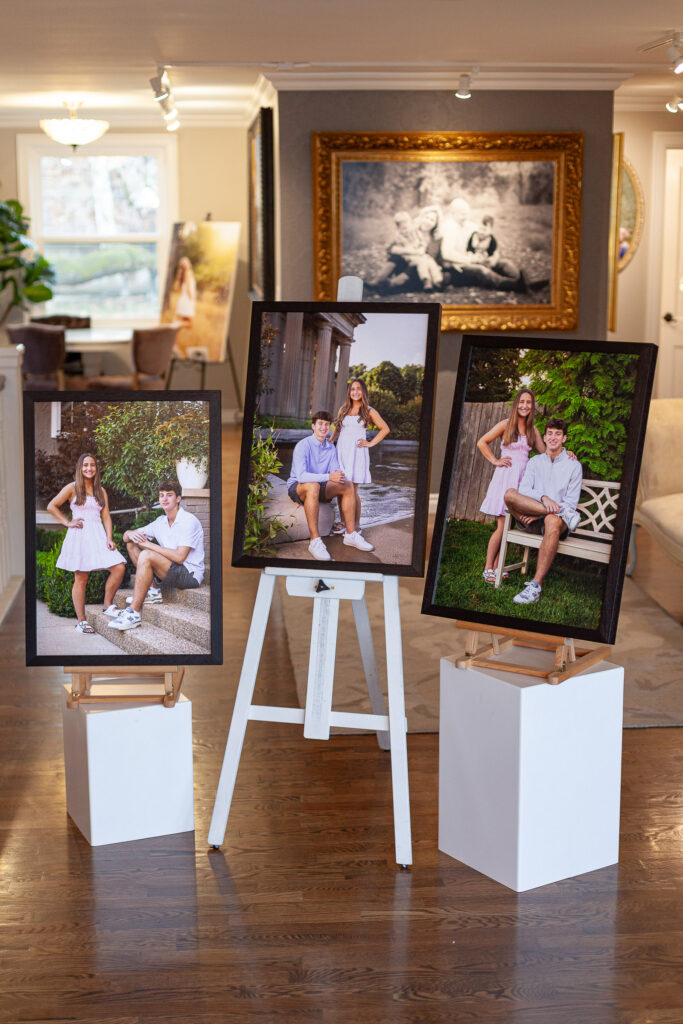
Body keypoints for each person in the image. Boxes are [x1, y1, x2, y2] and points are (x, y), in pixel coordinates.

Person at [503, 417, 583, 605]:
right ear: (545, 437)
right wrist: (544, 499)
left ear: (564, 438)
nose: (553, 437)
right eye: (550, 433)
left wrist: (552, 511)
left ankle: (535, 586)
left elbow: (571, 501)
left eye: (558, 434)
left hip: (555, 525)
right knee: (509, 494)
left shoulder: (574, 466)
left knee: (553, 520)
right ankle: (559, 512)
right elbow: (524, 490)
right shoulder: (535, 462)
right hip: (532, 518)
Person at [110, 479, 205, 631]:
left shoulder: (188, 521)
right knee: (132, 544)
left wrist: (149, 545)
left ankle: (133, 613)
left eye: (169, 495)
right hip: (171, 569)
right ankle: (153, 592)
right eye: (161, 495)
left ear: (178, 498)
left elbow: (180, 557)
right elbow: (127, 537)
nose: (164, 499)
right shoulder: (160, 522)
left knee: (147, 554)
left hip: (189, 574)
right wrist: (129, 533)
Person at [47, 453, 126, 634]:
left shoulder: (101, 491)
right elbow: (52, 506)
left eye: (92, 465)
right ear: (79, 468)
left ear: (96, 468)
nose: (89, 468)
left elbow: (106, 516)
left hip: (98, 535)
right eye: (85, 465)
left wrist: (109, 538)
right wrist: (67, 522)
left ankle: (107, 604)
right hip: (80, 536)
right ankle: (81, 622)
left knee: (119, 567)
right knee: (81, 578)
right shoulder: (72, 488)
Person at [477, 389, 546, 582]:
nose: (525, 405)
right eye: (522, 402)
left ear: (532, 406)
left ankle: (499, 566)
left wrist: (565, 453)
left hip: (521, 483)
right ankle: (488, 567)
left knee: (509, 525)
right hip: (505, 479)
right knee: (501, 526)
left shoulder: (533, 430)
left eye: (529, 402)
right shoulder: (505, 425)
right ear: (516, 404)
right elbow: (482, 442)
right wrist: (495, 460)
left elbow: (545, 453)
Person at [286, 411, 374, 561]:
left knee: (346, 484)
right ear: (313, 426)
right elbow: (301, 476)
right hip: (299, 487)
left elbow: (335, 472)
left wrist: (339, 474)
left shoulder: (330, 448)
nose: (324, 427)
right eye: (320, 424)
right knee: (312, 485)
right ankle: (315, 542)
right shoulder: (303, 445)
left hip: (320, 486)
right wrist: (328, 476)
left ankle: (350, 534)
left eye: (327, 425)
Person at [330, 378, 390, 536]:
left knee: (352, 491)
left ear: (363, 391)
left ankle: (355, 525)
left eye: (358, 389)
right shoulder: (343, 409)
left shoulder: (369, 411)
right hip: (341, 452)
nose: (355, 392)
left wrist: (370, 444)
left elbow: (385, 429)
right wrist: (330, 441)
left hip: (357, 454)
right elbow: (337, 429)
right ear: (349, 392)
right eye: (352, 389)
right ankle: (343, 522)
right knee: (340, 488)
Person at [438, 197, 528, 293]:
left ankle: (523, 282)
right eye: (462, 214)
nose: (466, 216)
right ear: (453, 213)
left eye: (467, 213)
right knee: (481, 271)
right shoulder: (448, 228)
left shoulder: (471, 226)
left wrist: (494, 256)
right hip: (459, 265)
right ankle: (514, 285)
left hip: (476, 259)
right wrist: (471, 259)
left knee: (504, 263)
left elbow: (488, 239)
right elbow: (447, 253)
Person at [174, 256, 196, 324]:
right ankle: (174, 326)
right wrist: (192, 298)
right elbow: (188, 288)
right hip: (187, 300)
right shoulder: (188, 272)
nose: (189, 263)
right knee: (189, 323)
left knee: (180, 321)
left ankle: (174, 326)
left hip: (183, 299)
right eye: (187, 262)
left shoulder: (183, 274)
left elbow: (181, 290)